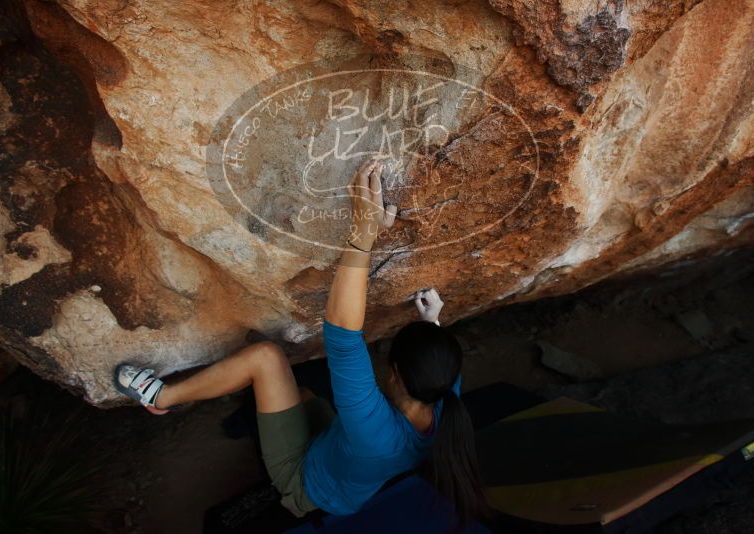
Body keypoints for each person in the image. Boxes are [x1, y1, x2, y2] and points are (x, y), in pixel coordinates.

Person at [113, 160, 487, 527]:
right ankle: (256, 413)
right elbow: (437, 359)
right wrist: (432, 321)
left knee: (266, 358)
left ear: (395, 375)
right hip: (343, 461)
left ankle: (159, 399)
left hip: (306, 483)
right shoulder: (443, 397)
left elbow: (343, 333)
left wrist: (364, 229)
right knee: (305, 396)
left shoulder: (376, 430)